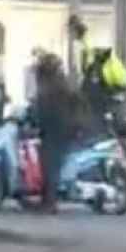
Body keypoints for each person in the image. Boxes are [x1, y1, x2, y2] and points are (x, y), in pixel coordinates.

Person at [29, 50, 77, 213]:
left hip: (57, 130)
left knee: (50, 165)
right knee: (47, 162)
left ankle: (50, 203)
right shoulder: (60, 83)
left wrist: (34, 120)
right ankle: (45, 199)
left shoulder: (52, 87)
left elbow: (43, 109)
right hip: (61, 128)